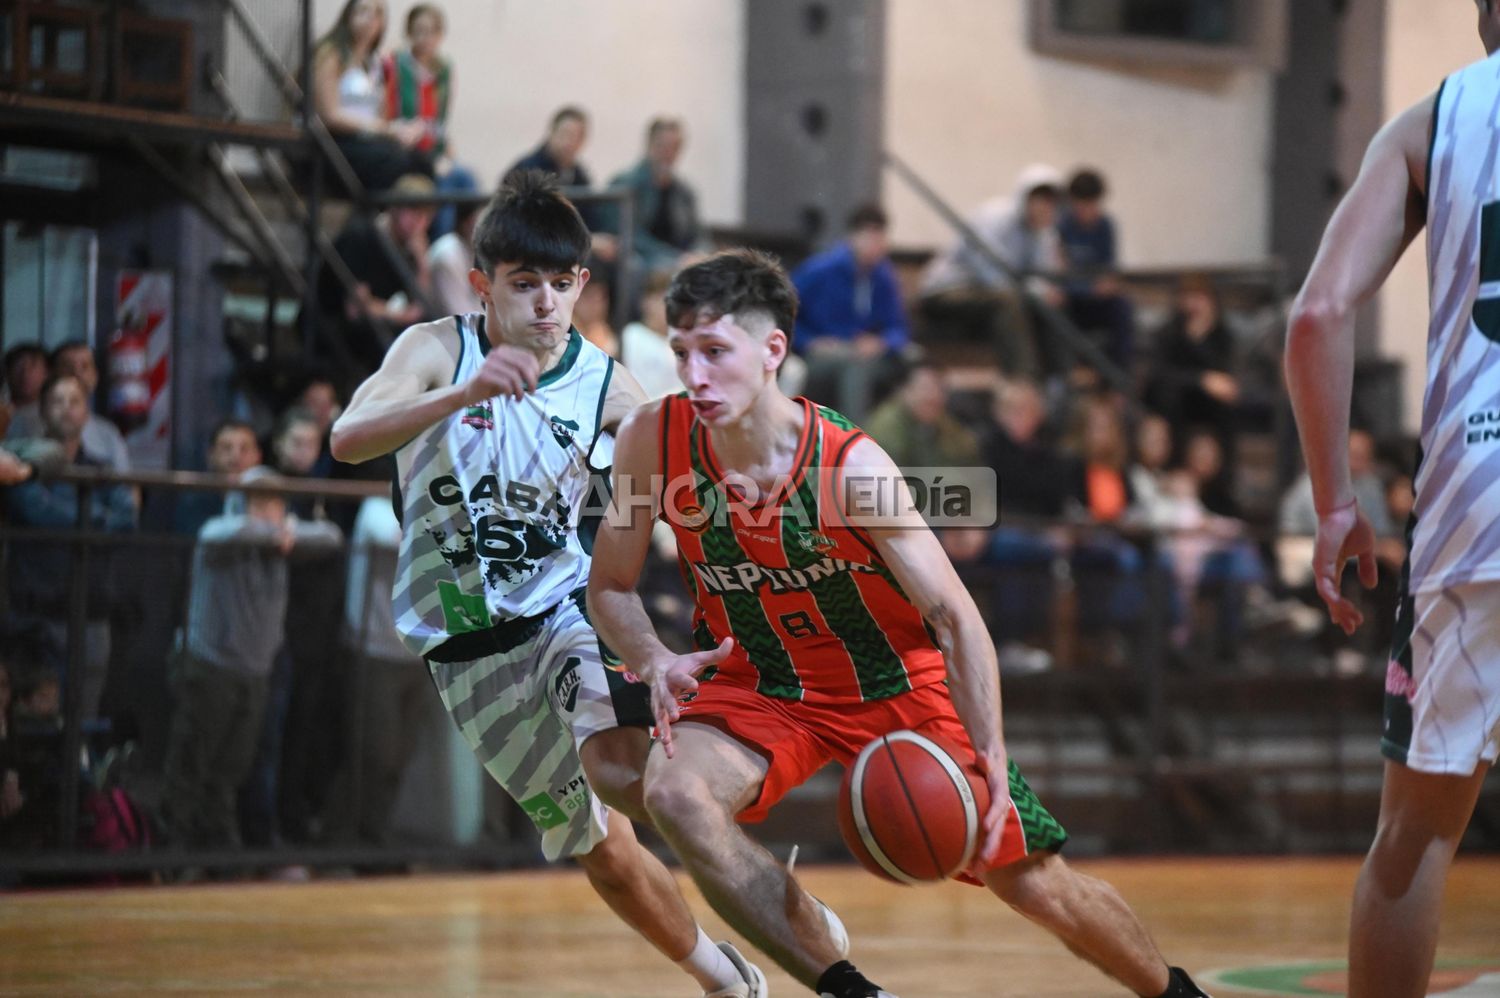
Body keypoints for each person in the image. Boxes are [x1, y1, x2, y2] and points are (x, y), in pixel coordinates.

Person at [587, 249, 1210, 998]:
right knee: (664, 788)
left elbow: (954, 616)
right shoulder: (652, 441)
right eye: (683, 352)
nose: (695, 374)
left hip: (895, 684)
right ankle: (847, 985)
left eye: (715, 352)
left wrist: (990, 754)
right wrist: (653, 658)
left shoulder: (853, 469)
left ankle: (1179, 995)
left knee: (1037, 886)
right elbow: (612, 587)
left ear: (773, 351)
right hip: (763, 679)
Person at [329, 171, 768, 997]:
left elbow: (672, 492)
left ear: (582, 286)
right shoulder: (434, 347)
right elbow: (347, 438)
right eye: (523, 284)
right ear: (482, 283)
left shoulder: (607, 386)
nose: (543, 304)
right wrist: (463, 393)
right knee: (600, 850)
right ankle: (724, 977)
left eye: (560, 285)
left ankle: (768, 896)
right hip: (459, 644)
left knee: (617, 762)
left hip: (559, 611)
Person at [1284, 6, 1500, 993]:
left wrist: (1336, 501)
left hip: (1474, 503)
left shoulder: (1432, 117)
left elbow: (1320, 313)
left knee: (1414, 832)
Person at [161, 466, 342, 850]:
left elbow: (331, 536)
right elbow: (221, 531)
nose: (267, 511)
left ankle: (217, 852)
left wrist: (286, 531)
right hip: (210, 666)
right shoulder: (221, 535)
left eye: (274, 503)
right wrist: (275, 531)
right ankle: (170, 855)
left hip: (255, 672)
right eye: (257, 503)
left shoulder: (284, 538)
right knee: (191, 766)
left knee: (231, 770)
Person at [3, 374, 136, 719]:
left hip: (90, 613)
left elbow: (126, 521)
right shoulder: (24, 464)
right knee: (28, 716)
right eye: (57, 401)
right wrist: (95, 518)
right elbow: (34, 511)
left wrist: (74, 519)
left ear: (87, 412)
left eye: (74, 401)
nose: (66, 409)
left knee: (83, 717)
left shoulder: (102, 470)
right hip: (33, 613)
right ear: (44, 412)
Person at [919, 164, 1067, 379]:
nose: (1045, 207)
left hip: (987, 298)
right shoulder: (994, 216)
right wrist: (1039, 292)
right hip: (946, 291)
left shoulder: (1045, 233)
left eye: (1051, 202)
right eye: (1040, 199)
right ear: (1025, 197)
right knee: (1008, 300)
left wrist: (1047, 293)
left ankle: (1059, 383)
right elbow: (990, 274)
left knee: (1051, 306)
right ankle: (1021, 381)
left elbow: (1044, 276)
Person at [791, 204, 910, 420]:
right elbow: (785, 312)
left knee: (907, 360)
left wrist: (881, 342)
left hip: (865, 353)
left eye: (879, 238)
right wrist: (810, 341)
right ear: (852, 237)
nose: (874, 245)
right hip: (823, 353)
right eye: (868, 237)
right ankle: (854, 438)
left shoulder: (884, 276)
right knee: (855, 365)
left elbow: (898, 328)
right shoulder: (820, 270)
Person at [316, 173, 438, 379]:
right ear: (394, 208)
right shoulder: (363, 236)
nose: (419, 222)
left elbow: (421, 308)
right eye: (413, 211)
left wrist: (422, 262)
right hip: (330, 325)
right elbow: (356, 309)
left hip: (378, 325)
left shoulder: (413, 247)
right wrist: (403, 316)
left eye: (426, 215)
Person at [311, 0, 432, 193]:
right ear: (348, 15)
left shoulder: (376, 63)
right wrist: (386, 130)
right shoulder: (330, 54)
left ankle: (419, 223)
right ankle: (370, 219)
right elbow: (330, 116)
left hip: (368, 140)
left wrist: (403, 131)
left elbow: (381, 116)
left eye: (377, 14)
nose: (370, 20)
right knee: (394, 163)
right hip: (334, 143)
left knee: (423, 162)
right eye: (363, 11)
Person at [381, 2, 478, 238]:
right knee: (441, 191)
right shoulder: (393, 64)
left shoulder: (444, 69)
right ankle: (437, 246)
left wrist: (448, 154)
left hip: (434, 149)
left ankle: (469, 250)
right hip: (404, 150)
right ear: (409, 33)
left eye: (431, 31)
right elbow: (384, 113)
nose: (425, 38)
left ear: (440, 35)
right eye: (418, 31)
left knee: (466, 179)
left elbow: (440, 123)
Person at [1058, 168, 1135, 372]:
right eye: (1081, 205)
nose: (1086, 211)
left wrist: (1106, 284)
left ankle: (1118, 379)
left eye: (1091, 205)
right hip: (1071, 300)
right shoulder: (1060, 225)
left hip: (1095, 298)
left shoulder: (1106, 226)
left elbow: (1109, 267)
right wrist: (1087, 288)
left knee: (1122, 308)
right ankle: (1063, 377)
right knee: (1055, 309)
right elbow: (1058, 274)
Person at [608, 117, 703, 273]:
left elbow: (699, 234)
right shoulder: (625, 184)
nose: (668, 153)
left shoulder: (684, 191)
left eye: (675, 147)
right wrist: (674, 258)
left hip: (680, 260)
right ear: (649, 145)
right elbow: (629, 235)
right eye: (663, 146)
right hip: (646, 259)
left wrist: (698, 255)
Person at [862, 362, 977, 470]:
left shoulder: (939, 419)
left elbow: (968, 453)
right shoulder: (886, 427)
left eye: (940, 389)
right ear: (905, 390)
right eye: (926, 388)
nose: (934, 396)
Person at [620, 270, 684, 400]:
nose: (670, 309)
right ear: (646, 302)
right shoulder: (633, 336)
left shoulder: (682, 341)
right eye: (664, 302)